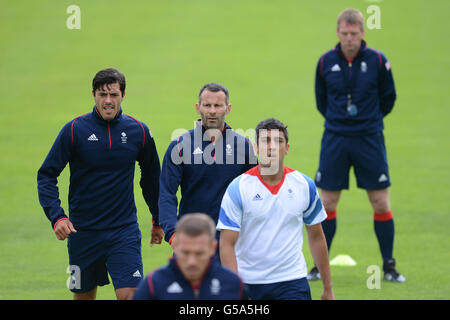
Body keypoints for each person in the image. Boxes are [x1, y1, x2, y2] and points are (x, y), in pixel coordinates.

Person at [37, 68, 164, 300]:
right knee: (84, 297)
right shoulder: (74, 130)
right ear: (93, 94)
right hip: (82, 233)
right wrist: (57, 217)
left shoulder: (139, 131)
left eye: (113, 95)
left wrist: (158, 218)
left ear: (123, 96)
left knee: (130, 295)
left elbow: (152, 178)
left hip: (123, 231)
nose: (108, 101)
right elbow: (46, 175)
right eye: (102, 94)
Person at [310, 8, 405, 283]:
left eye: (354, 33)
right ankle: (319, 267)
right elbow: (321, 101)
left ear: (363, 33)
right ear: (337, 32)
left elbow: (389, 98)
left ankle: (388, 265)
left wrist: (368, 121)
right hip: (336, 138)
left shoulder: (378, 61)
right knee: (326, 202)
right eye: (344, 33)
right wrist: (341, 121)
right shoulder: (325, 62)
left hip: (369, 138)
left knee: (379, 201)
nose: (349, 38)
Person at [218, 118, 334, 300]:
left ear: (287, 148)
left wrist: (328, 288)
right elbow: (226, 244)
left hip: (292, 282)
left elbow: (317, 236)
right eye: (265, 141)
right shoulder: (238, 188)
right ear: (256, 147)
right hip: (249, 284)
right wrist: (235, 289)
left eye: (278, 141)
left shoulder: (304, 185)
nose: (271, 147)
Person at [159, 83, 257, 249]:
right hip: (191, 238)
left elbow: (254, 192)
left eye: (218, 105)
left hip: (232, 240)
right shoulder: (180, 146)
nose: (212, 111)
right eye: (207, 105)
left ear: (228, 108)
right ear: (198, 108)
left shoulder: (243, 146)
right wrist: (173, 233)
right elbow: (166, 193)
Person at [133, 213, 246, 300]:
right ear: (175, 246)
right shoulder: (153, 284)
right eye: (185, 253)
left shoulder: (233, 284)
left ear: (212, 248)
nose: (192, 261)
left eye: (199, 253)